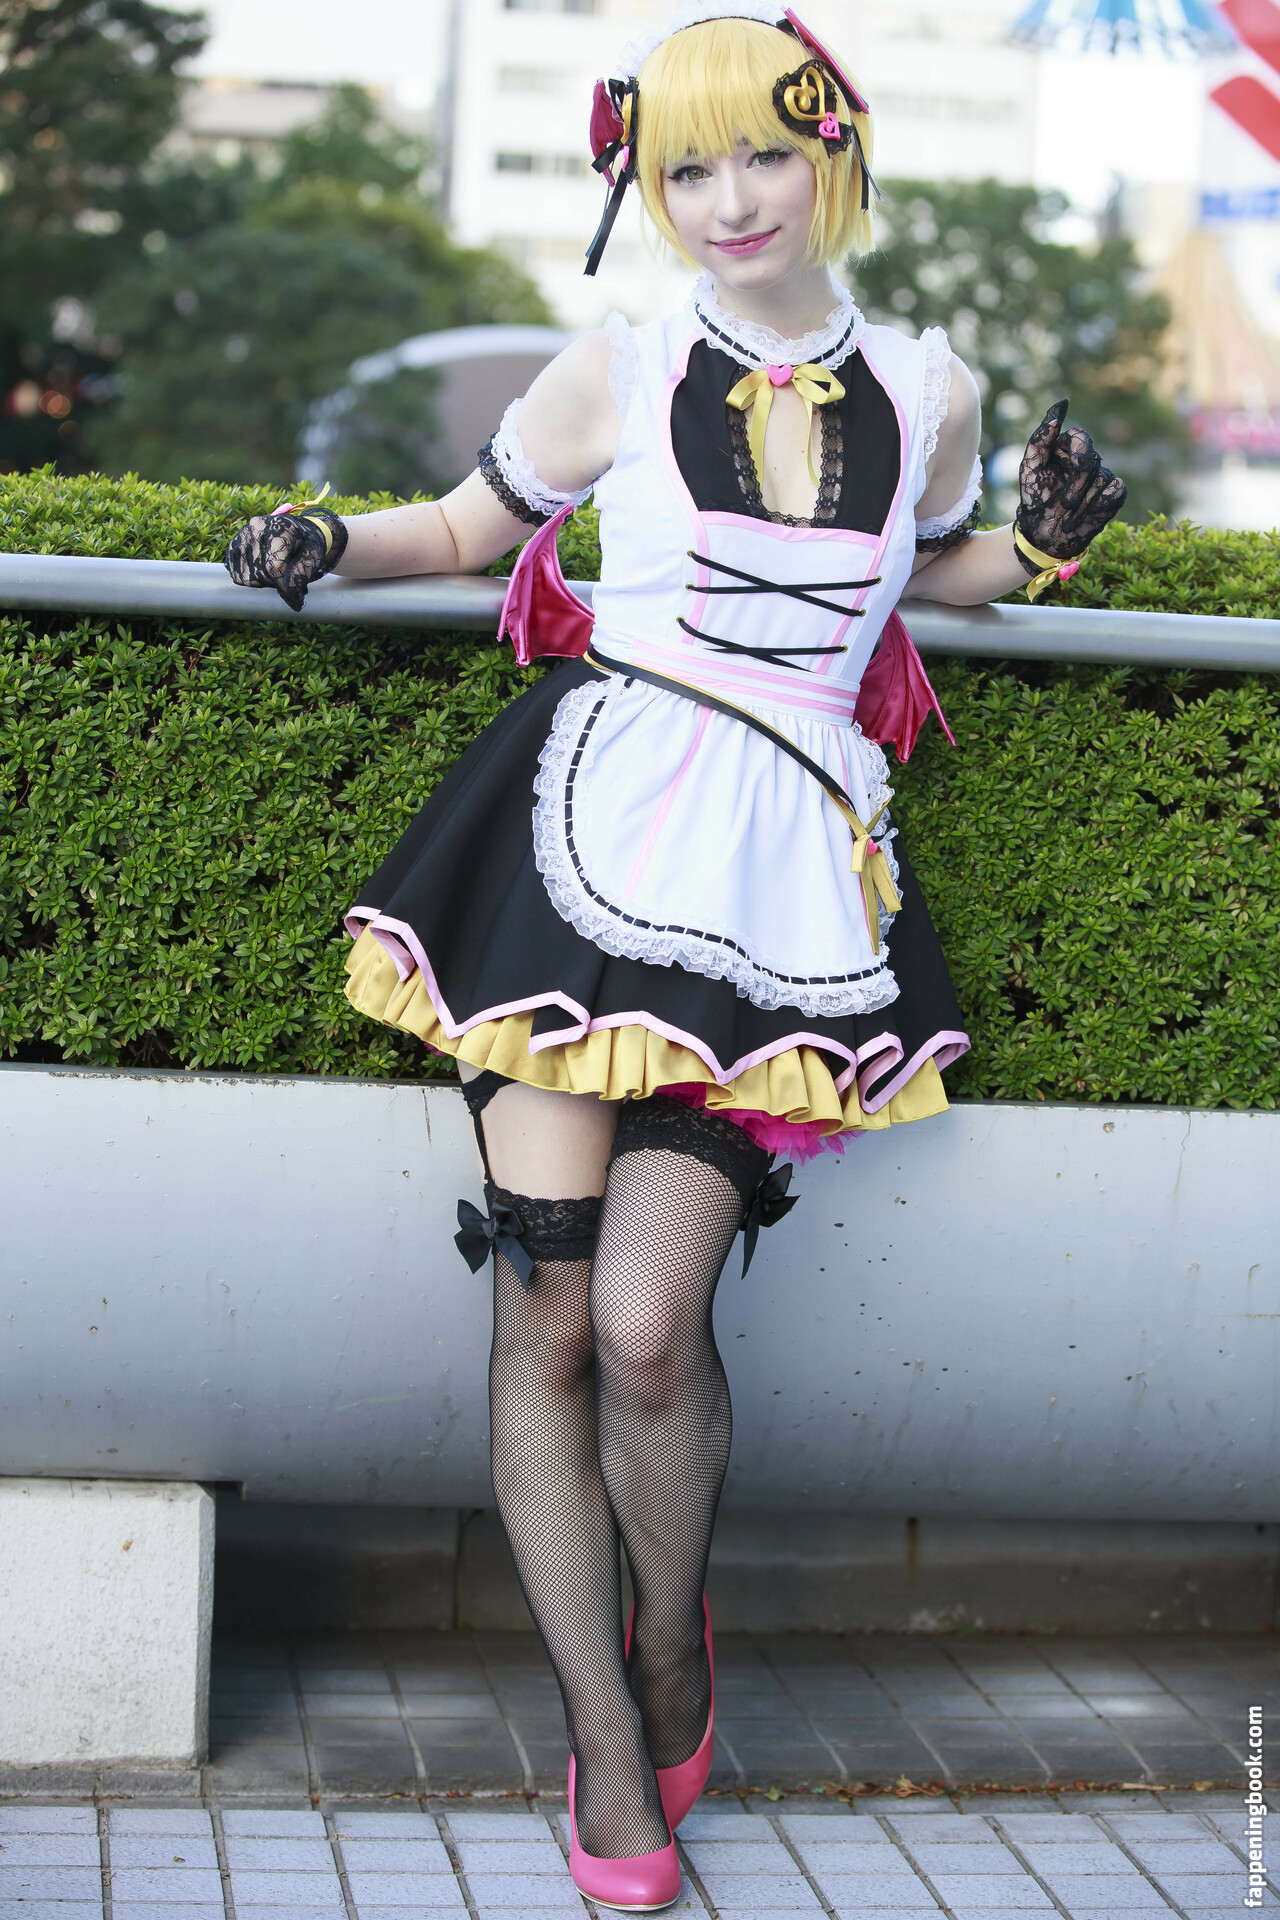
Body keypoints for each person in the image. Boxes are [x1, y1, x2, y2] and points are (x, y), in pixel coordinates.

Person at [225, 5, 1126, 1908]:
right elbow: (468, 525)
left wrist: (1041, 551)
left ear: (834, 153)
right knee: (549, 1320)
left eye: (762, 154)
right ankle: (610, 1742)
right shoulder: (619, 365)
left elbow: (924, 567)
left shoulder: (931, 385)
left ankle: (665, 1639)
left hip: (779, 879)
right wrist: (319, 537)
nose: (728, 198)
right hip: (578, 842)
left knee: (648, 1328)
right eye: (686, 166)